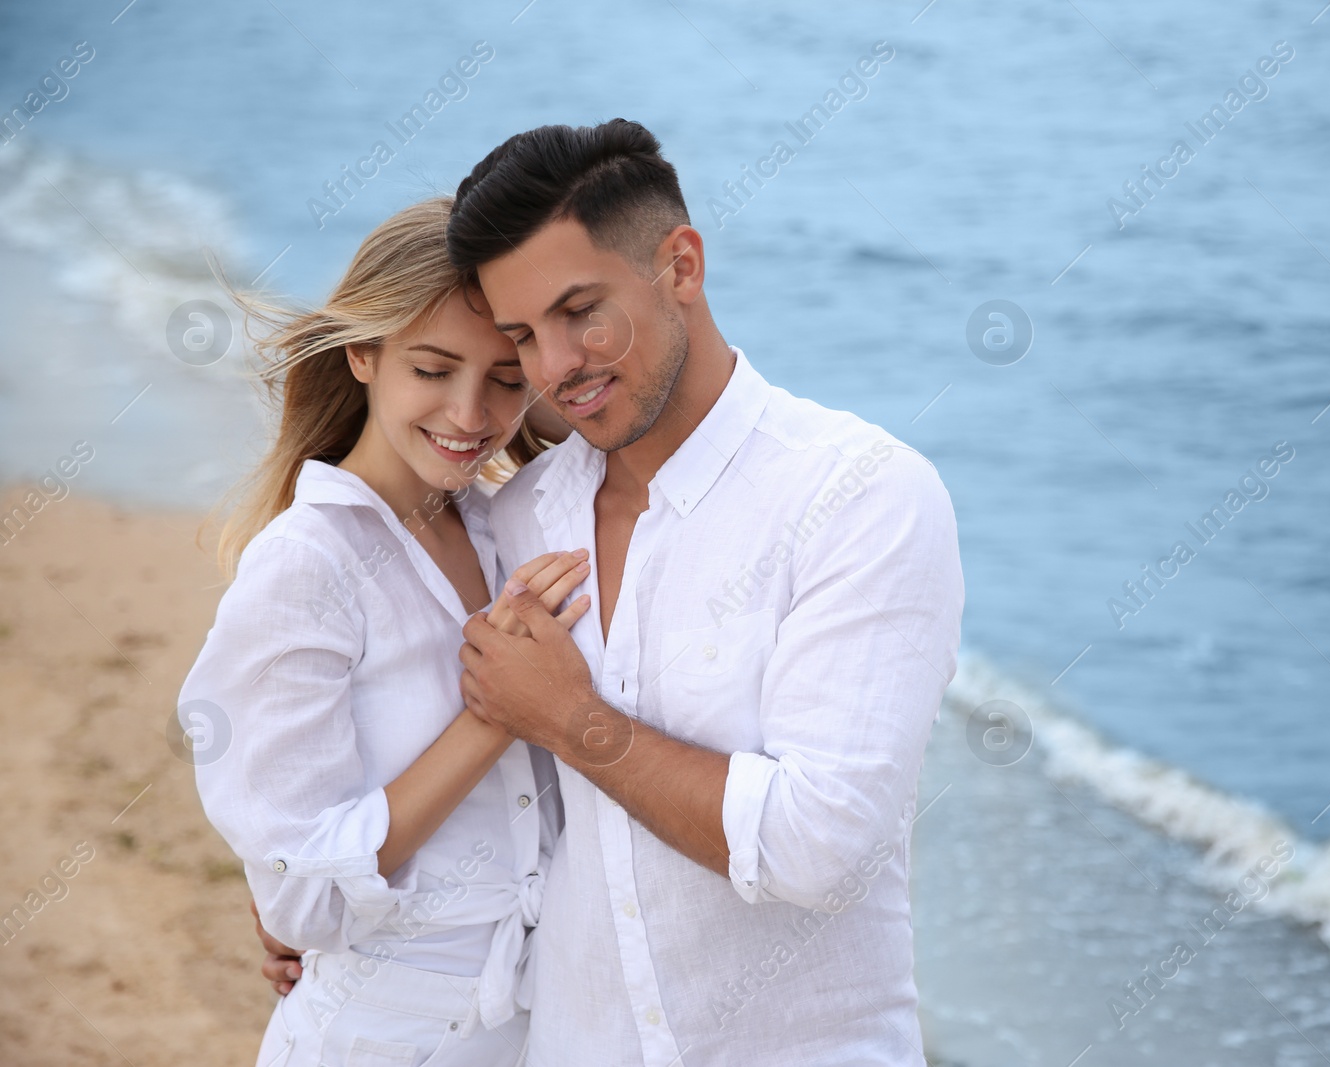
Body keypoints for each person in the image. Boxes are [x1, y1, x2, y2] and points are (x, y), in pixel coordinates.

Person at [450, 119, 965, 1065]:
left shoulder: (858, 496)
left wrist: (573, 721)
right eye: (523, 336)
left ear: (679, 265)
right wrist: (317, 893)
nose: (556, 367)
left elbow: (821, 847)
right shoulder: (515, 519)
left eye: (581, 312)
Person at [181, 198, 586, 1067]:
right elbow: (302, 900)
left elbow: (624, 441)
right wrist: (496, 711)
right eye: (432, 369)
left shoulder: (505, 527)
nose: (470, 414)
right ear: (363, 352)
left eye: (505, 378)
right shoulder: (306, 565)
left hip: (534, 1033)